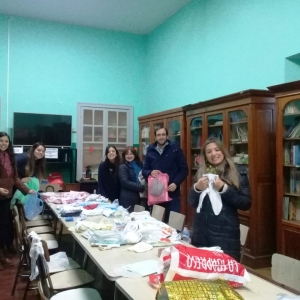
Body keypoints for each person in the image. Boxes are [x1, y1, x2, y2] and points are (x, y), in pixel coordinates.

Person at [188, 137, 251, 262]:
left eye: (217, 150)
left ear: (223, 151)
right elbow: (192, 202)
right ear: (205, 156)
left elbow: (246, 203)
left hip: (225, 237)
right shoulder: (201, 173)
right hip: (201, 235)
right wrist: (197, 188)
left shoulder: (237, 173)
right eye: (209, 151)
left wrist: (224, 189)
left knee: (224, 278)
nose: (214, 154)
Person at [0, 132, 35, 270]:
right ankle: (2, 257)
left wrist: (27, 190)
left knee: (5, 226)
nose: (3, 143)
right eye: (1, 141)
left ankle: (4, 252)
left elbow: (15, 178)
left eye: (6, 141)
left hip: (6, 198)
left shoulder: (9, 157)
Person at [142, 127, 188, 222]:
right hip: (156, 194)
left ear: (167, 136)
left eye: (163, 134)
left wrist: (176, 183)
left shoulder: (175, 149)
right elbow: (144, 170)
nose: (161, 137)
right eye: (158, 135)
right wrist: (149, 172)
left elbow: (184, 169)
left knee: (173, 223)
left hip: (172, 193)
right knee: (156, 223)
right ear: (155, 137)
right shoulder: (150, 150)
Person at [119, 146, 145, 212]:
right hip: (128, 198)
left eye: (131, 154)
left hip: (140, 197)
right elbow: (125, 182)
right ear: (124, 156)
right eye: (127, 154)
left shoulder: (139, 165)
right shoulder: (123, 167)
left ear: (134, 155)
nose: (129, 156)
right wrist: (141, 187)